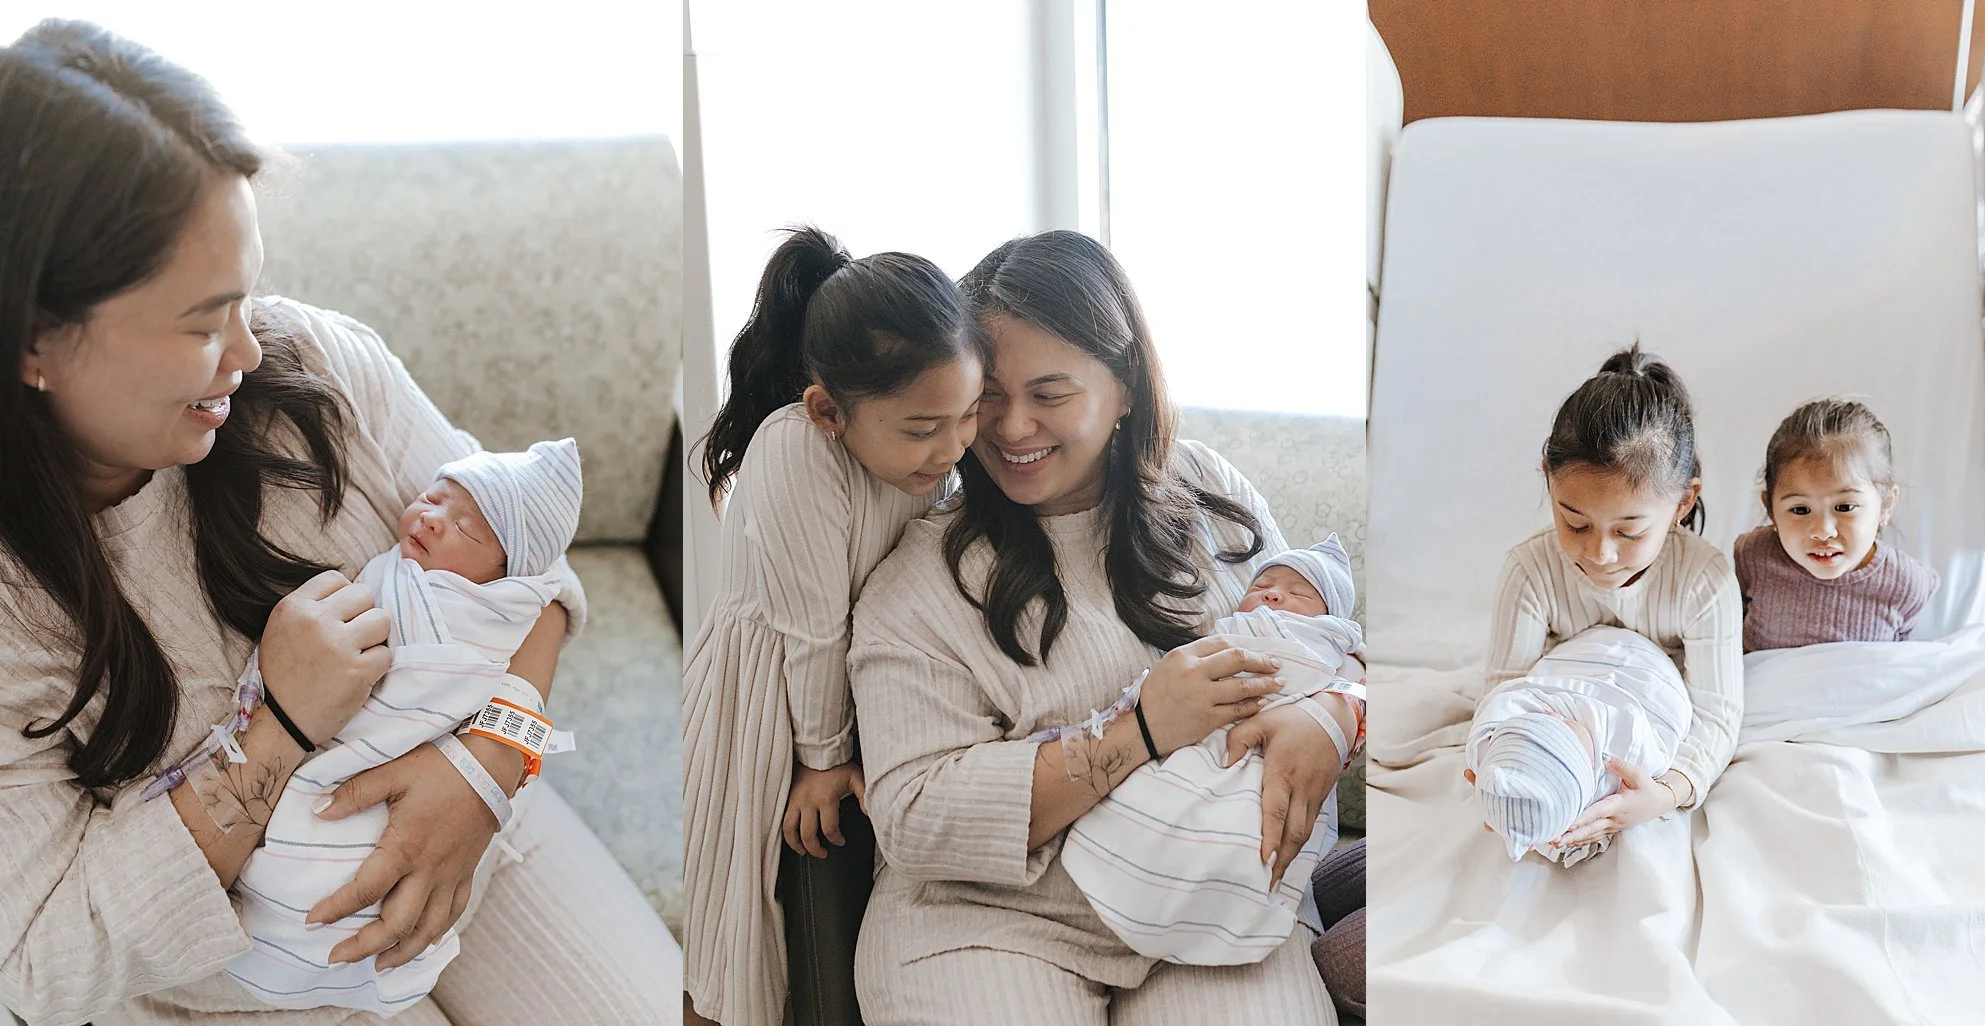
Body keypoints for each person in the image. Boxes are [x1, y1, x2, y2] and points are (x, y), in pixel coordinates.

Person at [0, 21, 677, 1024]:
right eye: (201, 322)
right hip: (233, 983)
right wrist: (277, 728)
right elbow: (43, 957)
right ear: (35, 341)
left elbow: (532, 575)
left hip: (481, 832)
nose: (246, 351)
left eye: (245, 295)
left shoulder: (312, 364)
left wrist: (489, 765)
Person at [848, 230, 1354, 1025]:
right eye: (990, 396)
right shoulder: (921, 583)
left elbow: (1327, 642)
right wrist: (1138, 730)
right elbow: (915, 816)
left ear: (1125, 386)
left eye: (1049, 395)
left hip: (1215, 910)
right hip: (988, 922)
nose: (1013, 428)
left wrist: (1335, 713)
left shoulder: (1207, 491)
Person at [681, 227, 983, 1026]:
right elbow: (813, 632)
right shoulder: (797, 449)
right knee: (738, 930)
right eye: (922, 428)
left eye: (966, 416)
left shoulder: (923, 463)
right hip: (770, 704)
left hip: (850, 705)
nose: (951, 447)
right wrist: (821, 758)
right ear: (829, 411)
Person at [220, 439, 584, 1014]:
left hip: (492, 830)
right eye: (432, 499)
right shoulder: (397, 573)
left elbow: (556, 582)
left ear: (506, 575)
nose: (433, 518)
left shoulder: (490, 609)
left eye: (467, 528)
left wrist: (492, 759)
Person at [1059, 534, 1366, 965]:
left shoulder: (1327, 643)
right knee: (1164, 803)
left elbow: (1359, 675)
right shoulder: (1230, 627)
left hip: (1270, 753)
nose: (1272, 595)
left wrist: (1338, 705)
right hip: (1201, 736)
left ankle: (1218, 901)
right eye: (1263, 585)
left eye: (1299, 593)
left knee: (1251, 829)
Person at [1482, 344, 1742, 852]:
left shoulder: (1703, 581)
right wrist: (1493, 752)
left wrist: (1666, 794)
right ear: (1547, 479)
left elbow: (1717, 716)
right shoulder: (1530, 572)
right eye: (1575, 523)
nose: (1599, 554)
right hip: (1562, 737)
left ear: (1683, 502)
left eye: (1629, 531)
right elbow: (1506, 692)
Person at [1464, 626, 1690, 865]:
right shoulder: (1625, 748)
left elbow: (1503, 699)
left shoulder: (1499, 727)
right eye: (1567, 729)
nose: (1555, 715)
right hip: (1648, 672)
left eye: (1543, 720)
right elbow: (1662, 739)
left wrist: (1488, 768)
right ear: (1588, 770)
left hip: (1577, 655)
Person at [1734, 398, 1939, 652]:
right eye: (1800, 510)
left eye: (1845, 507)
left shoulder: (1907, 584)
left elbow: (1901, 665)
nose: (1823, 531)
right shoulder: (1753, 557)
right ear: (1771, 510)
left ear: (1886, 504)